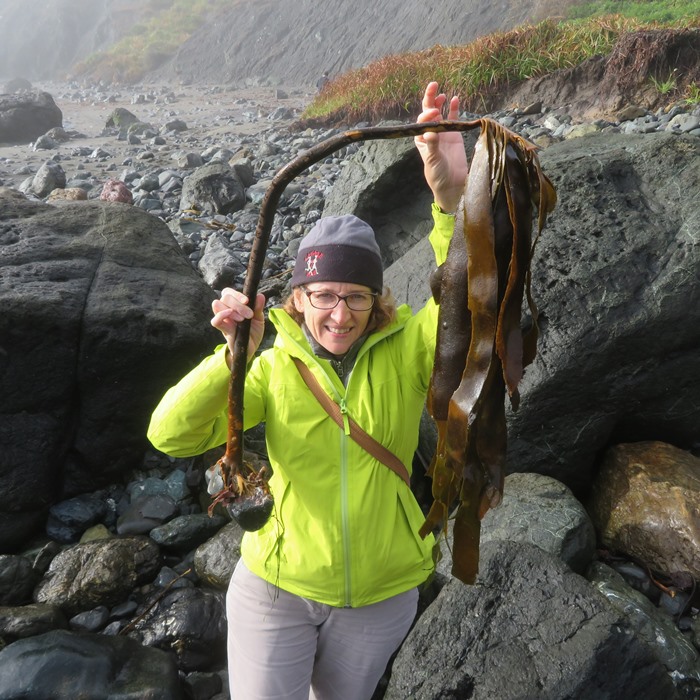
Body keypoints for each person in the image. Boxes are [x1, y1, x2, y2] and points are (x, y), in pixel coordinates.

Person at [147, 81, 468, 700]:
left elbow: (463, 305)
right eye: (323, 296)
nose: (339, 315)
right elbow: (171, 434)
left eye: (355, 296)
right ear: (298, 298)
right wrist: (231, 360)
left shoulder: (408, 351)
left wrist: (450, 204)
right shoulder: (271, 371)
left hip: (382, 592)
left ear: (378, 300)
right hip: (276, 588)